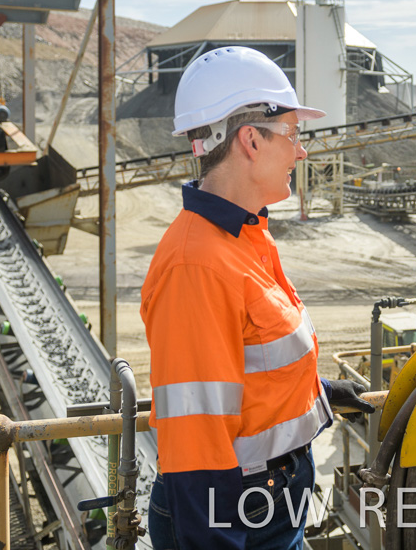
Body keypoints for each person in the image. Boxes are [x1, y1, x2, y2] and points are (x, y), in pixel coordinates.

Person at [141, 45, 374, 550]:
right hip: (234, 513)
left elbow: (251, 360)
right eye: (292, 134)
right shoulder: (196, 265)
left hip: (272, 497)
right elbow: (197, 443)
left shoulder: (244, 237)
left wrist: (315, 390)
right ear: (250, 139)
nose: (301, 152)